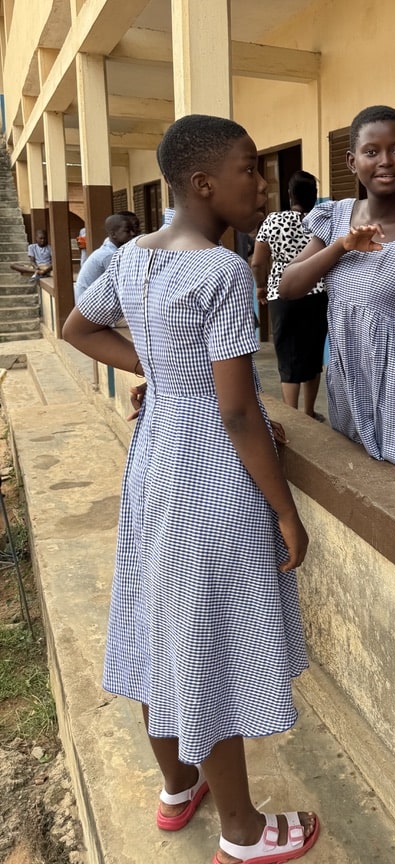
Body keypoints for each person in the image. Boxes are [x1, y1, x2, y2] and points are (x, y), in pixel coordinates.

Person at [61, 115, 319, 864]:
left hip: (153, 461)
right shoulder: (222, 273)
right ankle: (242, 832)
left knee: (156, 619)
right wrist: (285, 509)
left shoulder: (134, 256)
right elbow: (240, 411)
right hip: (206, 467)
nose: (262, 186)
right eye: (251, 171)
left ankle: (179, 787)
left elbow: (79, 328)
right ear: (204, 183)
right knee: (203, 639)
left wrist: (163, 376)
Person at [279, 105, 395, 483]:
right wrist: (341, 246)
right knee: (358, 484)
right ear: (351, 161)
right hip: (348, 380)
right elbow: (288, 286)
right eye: (372, 152)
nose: (386, 161)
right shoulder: (333, 218)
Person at [252, 171, 328, 421]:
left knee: (287, 356)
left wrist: (261, 287)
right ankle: (308, 412)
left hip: (281, 294)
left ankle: (292, 418)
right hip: (316, 293)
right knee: (312, 354)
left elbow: (258, 262)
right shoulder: (322, 220)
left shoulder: (273, 220)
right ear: (314, 196)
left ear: (289, 195)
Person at [74, 212, 140, 301]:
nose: (132, 234)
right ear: (113, 235)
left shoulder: (110, 250)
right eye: (127, 231)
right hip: (89, 307)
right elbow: (124, 288)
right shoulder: (110, 255)